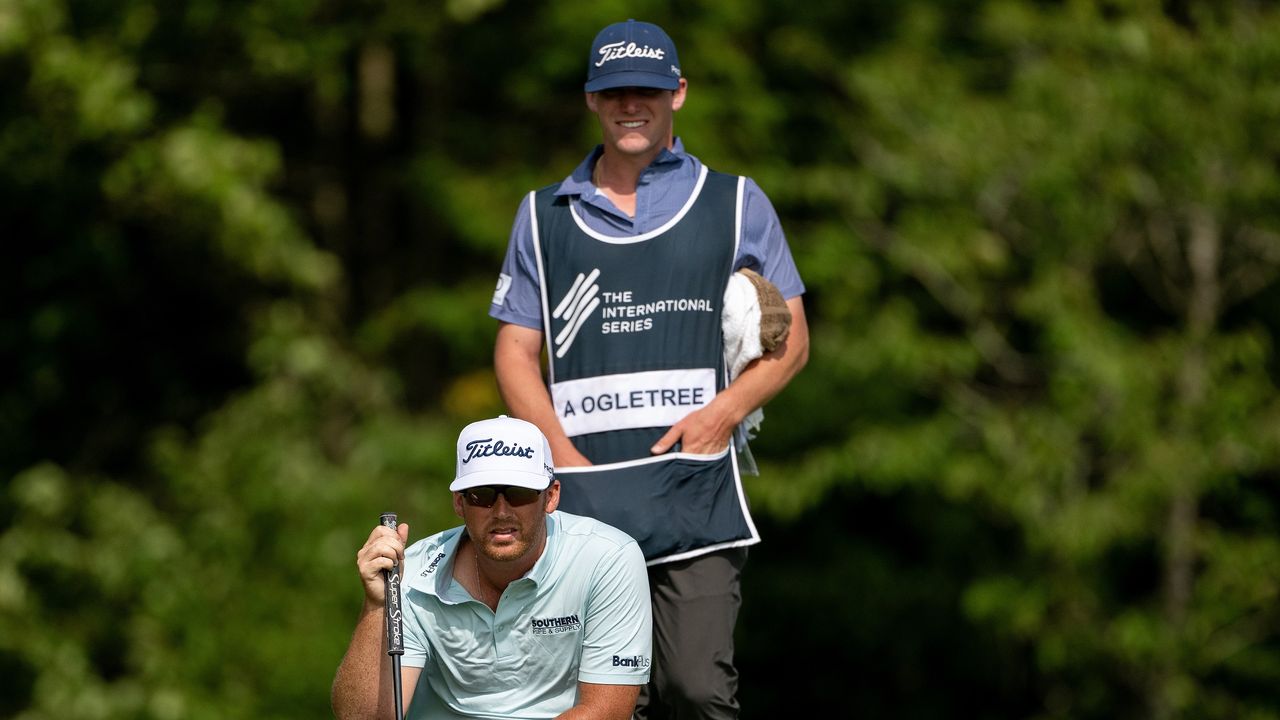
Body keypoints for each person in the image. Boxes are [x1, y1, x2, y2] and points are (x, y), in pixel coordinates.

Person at [488, 19, 809, 720]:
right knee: (602, 706)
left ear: (679, 94)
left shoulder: (736, 202)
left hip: (694, 493)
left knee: (695, 691)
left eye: (648, 91)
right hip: (582, 501)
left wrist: (720, 414)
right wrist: (563, 457)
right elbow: (515, 351)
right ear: (591, 100)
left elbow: (794, 343)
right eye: (614, 92)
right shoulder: (543, 215)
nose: (631, 105)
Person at [331, 415, 653, 720]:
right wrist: (376, 606)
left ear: (551, 496)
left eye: (520, 493)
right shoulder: (410, 572)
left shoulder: (609, 558)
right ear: (459, 502)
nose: (501, 511)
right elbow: (362, 716)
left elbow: (606, 711)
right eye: (482, 495)